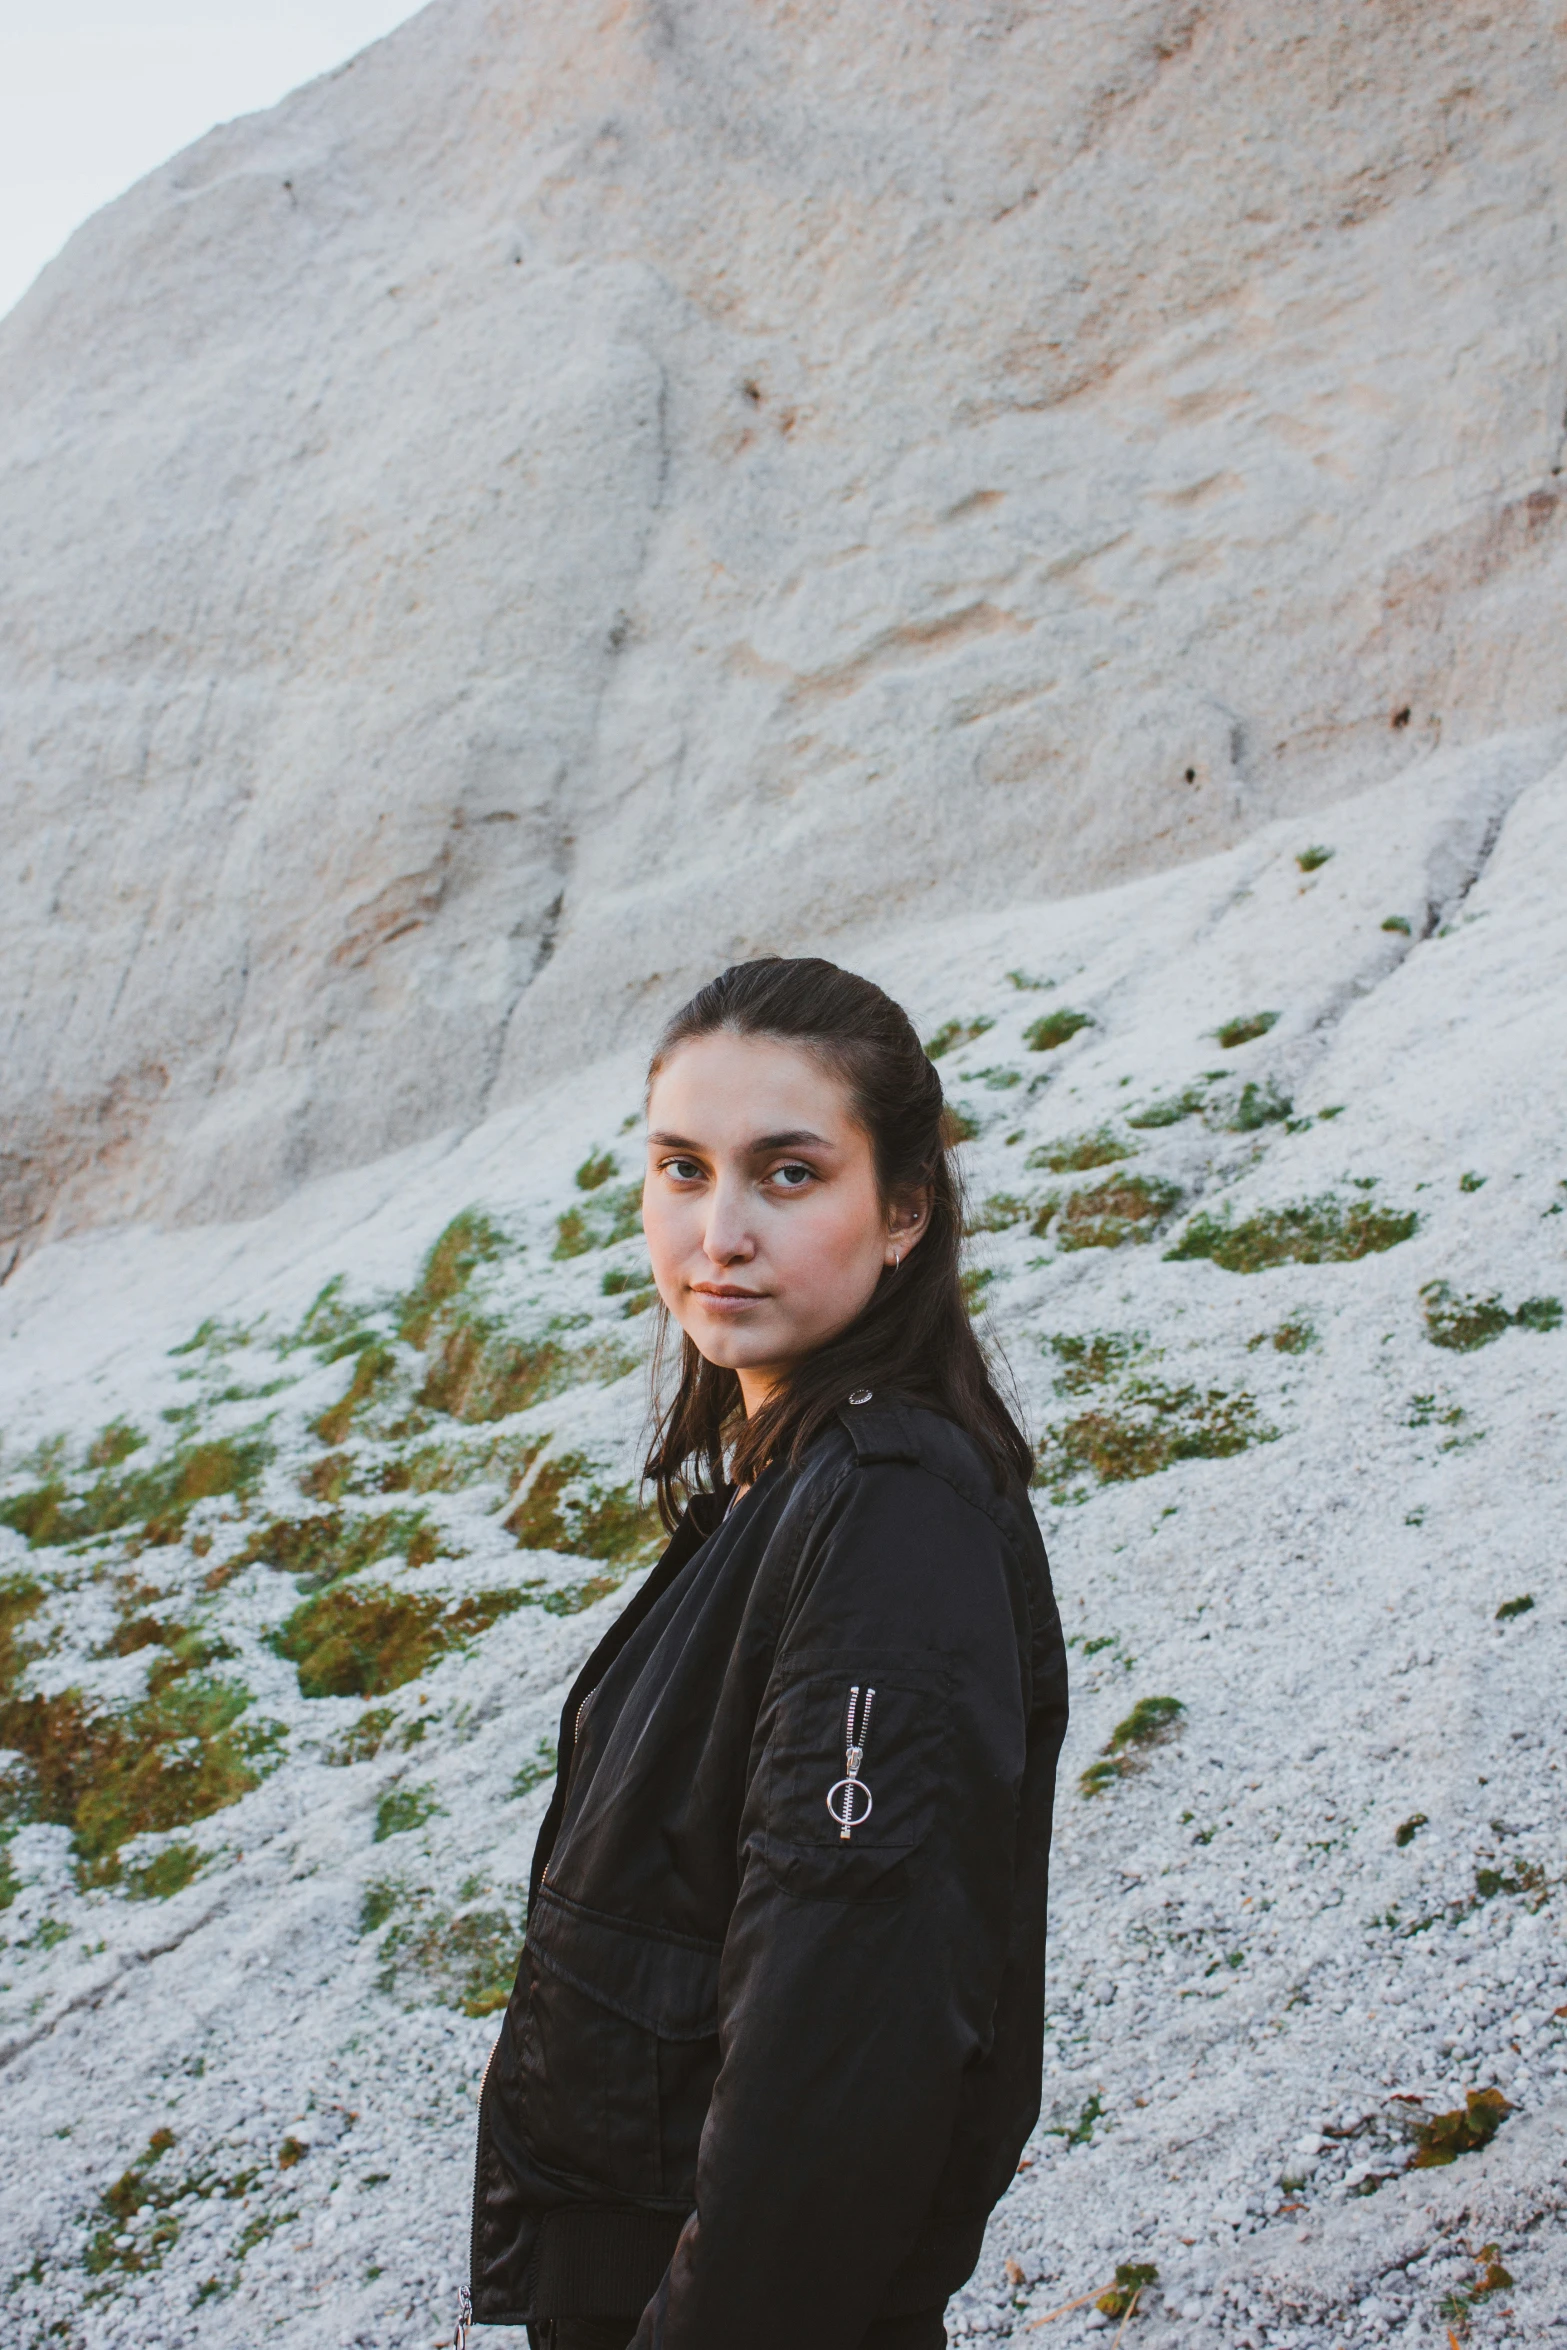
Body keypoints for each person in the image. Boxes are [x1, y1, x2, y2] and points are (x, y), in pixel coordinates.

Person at [464, 956, 1069, 2350]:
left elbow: (842, 2043)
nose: (718, 1229)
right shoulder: (783, 1476)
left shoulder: (888, 1521)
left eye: (786, 1174)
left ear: (902, 1207)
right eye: (681, 1167)